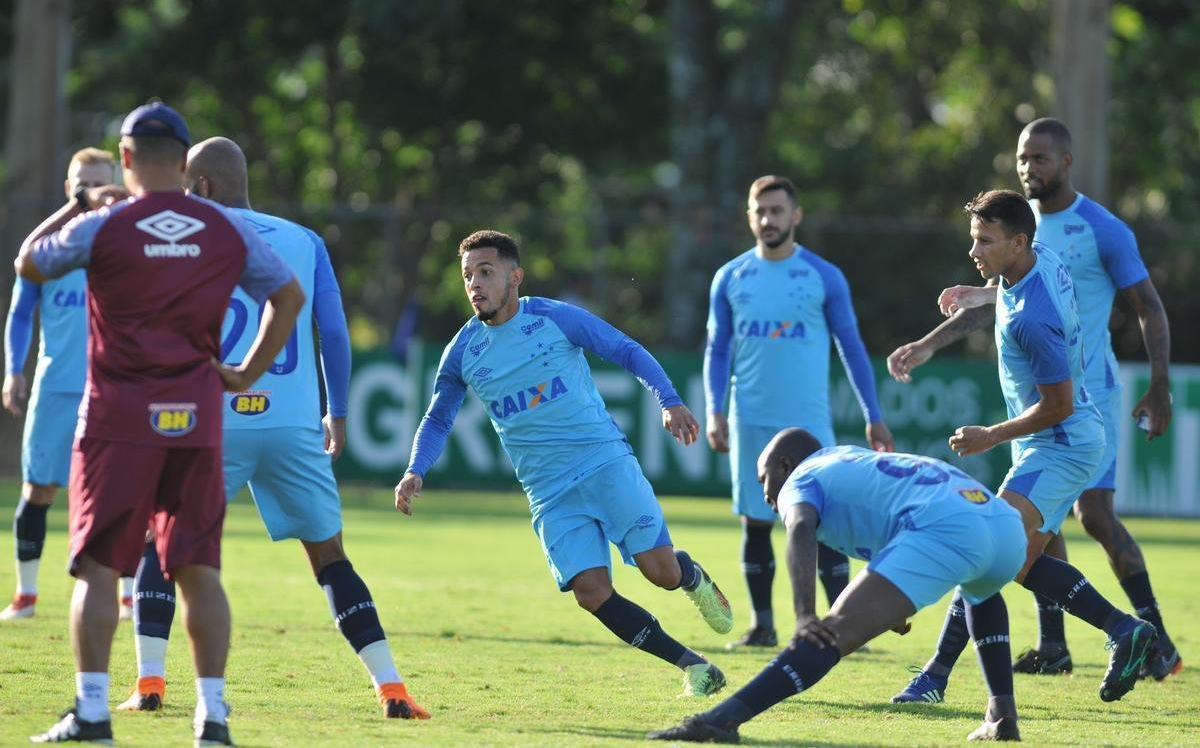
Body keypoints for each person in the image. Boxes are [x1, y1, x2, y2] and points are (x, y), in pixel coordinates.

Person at [15, 102, 305, 746]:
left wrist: (83, 203)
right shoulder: (223, 229)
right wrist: (247, 372)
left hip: (117, 418)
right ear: (183, 160)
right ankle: (213, 718)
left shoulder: (105, 225)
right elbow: (288, 298)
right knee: (198, 570)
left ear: (124, 159)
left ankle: (92, 713)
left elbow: (29, 264)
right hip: (196, 418)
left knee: (97, 569)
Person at [114, 136, 429, 720]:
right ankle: (392, 689)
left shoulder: (184, 235)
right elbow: (333, 333)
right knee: (330, 557)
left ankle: (150, 683)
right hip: (291, 425)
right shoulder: (305, 240)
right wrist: (336, 412)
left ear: (203, 187)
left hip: (214, 422)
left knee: (160, 546)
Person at [889, 118, 1180, 681]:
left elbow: (1060, 395)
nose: (973, 249)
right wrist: (972, 298)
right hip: (1058, 431)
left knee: (999, 545)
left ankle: (936, 676)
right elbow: (1015, 287)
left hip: (1064, 429)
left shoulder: (1049, 298)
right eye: (1023, 158)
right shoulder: (1040, 255)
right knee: (1019, 554)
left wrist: (988, 435)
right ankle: (1115, 635)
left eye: (983, 242)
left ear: (1066, 161)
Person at [395, 230, 733, 697]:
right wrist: (417, 469)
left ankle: (691, 575)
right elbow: (437, 417)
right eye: (468, 275)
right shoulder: (463, 351)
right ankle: (694, 667)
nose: (475, 284)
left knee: (662, 573)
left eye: (486, 272)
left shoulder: (553, 318)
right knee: (591, 593)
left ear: (515, 276)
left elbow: (626, 350)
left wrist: (669, 400)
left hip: (604, 463)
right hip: (549, 492)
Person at [648, 429, 1028, 743]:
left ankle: (719, 721)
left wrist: (803, 615)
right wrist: (889, 603)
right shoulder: (847, 459)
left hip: (947, 527)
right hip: (1003, 524)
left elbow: (799, 528)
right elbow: (891, 514)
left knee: (825, 635)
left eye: (764, 478)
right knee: (982, 590)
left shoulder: (801, 478)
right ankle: (1001, 714)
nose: (765, 493)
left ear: (785, 465)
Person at [705, 175, 894, 649]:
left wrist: (873, 412)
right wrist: (713, 409)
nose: (768, 219)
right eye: (760, 211)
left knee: (824, 523)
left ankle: (847, 624)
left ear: (796, 215)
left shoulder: (823, 276)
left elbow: (851, 347)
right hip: (750, 417)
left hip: (808, 423)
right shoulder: (730, 277)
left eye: (777, 210)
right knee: (755, 520)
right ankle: (762, 625)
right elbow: (716, 349)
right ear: (750, 217)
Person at [2, 148, 136, 621]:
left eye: (102, 184)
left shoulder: (125, 241)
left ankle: (127, 597)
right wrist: (14, 369)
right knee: (39, 488)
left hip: (114, 387)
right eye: (84, 186)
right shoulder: (53, 246)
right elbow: (20, 311)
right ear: (70, 189)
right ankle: (27, 595)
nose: (95, 194)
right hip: (56, 384)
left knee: (124, 491)